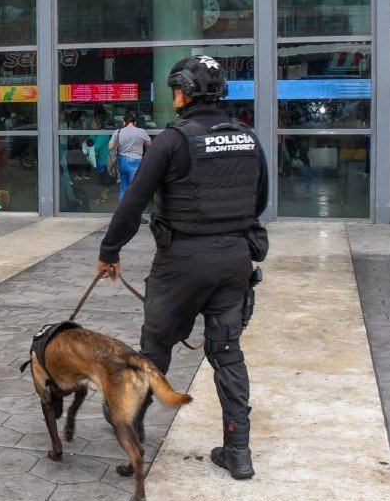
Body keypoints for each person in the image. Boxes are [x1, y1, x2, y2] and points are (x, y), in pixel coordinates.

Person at [95, 55, 269, 481]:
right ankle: (238, 452)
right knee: (227, 354)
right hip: (234, 262)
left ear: (183, 91)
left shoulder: (172, 141)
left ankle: (132, 447)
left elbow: (133, 202)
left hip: (181, 266)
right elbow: (260, 200)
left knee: (153, 355)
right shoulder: (248, 138)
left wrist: (109, 251)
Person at [109, 113, 150, 201]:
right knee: (135, 189)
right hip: (135, 162)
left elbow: (110, 147)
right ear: (135, 122)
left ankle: (122, 212)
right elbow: (149, 144)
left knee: (123, 189)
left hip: (122, 161)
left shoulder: (118, 132)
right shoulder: (141, 131)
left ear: (123, 122)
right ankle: (133, 212)